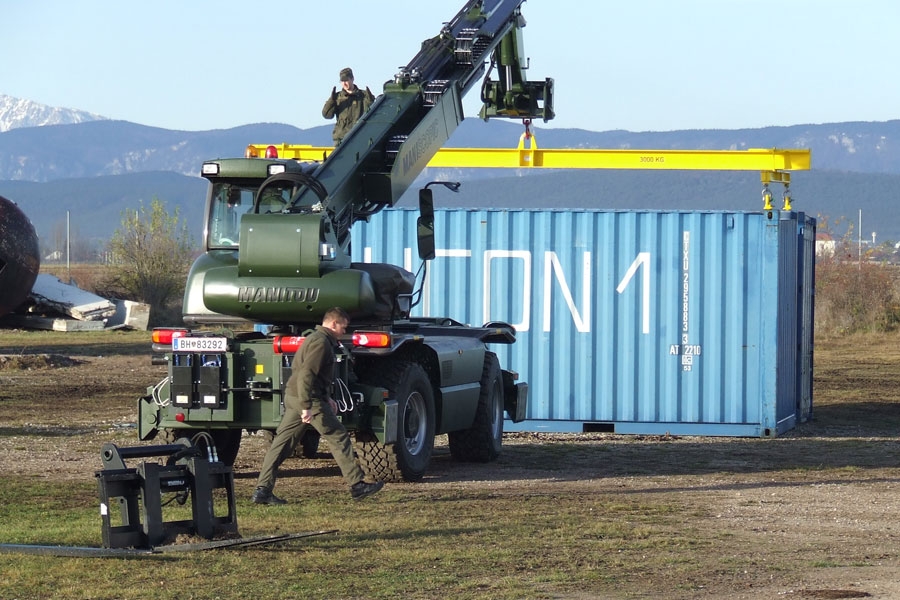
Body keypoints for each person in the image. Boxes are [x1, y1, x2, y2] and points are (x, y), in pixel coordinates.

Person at [252, 307, 384, 504]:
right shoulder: (321, 343)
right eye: (343, 327)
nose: (344, 332)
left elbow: (310, 374)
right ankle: (357, 485)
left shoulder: (316, 339)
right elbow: (306, 374)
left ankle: (262, 491)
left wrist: (327, 397)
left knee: (281, 445)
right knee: (338, 436)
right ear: (333, 324)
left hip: (297, 397)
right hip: (307, 400)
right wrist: (307, 406)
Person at [322, 67, 375, 146]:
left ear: (352, 79)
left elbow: (373, 113)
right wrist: (331, 101)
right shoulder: (337, 97)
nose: (344, 83)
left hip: (360, 138)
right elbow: (326, 115)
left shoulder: (364, 96)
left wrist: (370, 100)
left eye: (346, 80)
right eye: (342, 81)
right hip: (341, 139)